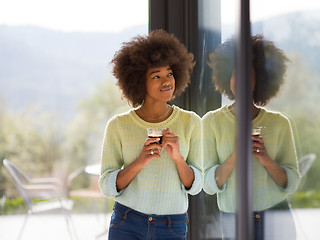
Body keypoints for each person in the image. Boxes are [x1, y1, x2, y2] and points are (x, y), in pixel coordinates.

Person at [99, 29, 202, 240]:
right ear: (138, 81)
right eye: (156, 76)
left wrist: (177, 158)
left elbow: (196, 185)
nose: (167, 81)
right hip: (127, 222)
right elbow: (107, 186)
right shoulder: (118, 125)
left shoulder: (191, 122)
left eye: (170, 73)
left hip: (171, 225)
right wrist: (140, 161)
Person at [202, 35, 300, 239]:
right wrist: (234, 157)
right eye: (236, 73)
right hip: (234, 219)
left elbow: (290, 182)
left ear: (261, 80)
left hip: (277, 217)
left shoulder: (280, 123)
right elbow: (209, 185)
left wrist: (266, 160)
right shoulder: (212, 122)